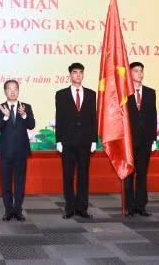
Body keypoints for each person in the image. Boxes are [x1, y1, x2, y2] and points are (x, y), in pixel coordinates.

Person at [55, 63, 97, 219]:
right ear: (70, 75)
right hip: (68, 142)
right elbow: (59, 118)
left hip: (85, 142)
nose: (78, 75)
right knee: (68, 176)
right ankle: (69, 208)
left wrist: (94, 140)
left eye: (81, 72)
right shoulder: (61, 94)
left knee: (83, 176)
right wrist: (59, 140)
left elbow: (93, 118)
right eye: (75, 72)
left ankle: (82, 208)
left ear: (83, 75)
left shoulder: (91, 94)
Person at [0, 80, 35, 222]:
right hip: (5, 151)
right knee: (5, 182)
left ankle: (18, 210)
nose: (12, 91)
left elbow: (31, 125)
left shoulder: (26, 107)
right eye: (9, 89)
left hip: (21, 151)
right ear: (5, 91)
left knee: (20, 182)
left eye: (15, 89)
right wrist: (5, 116)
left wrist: (24, 115)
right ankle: (8, 210)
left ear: (18, 91)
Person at [123, 62, 157, 217]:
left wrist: (153, 139)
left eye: (141, 71)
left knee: (142, 174)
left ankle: (141, 206)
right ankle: (129, 206)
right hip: (129, 141)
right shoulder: (124, 93)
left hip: (145, 141)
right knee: (129, 175)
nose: (139, 73)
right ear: (130, 73)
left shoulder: (150, 92)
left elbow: (153, 116)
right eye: (136, 71)